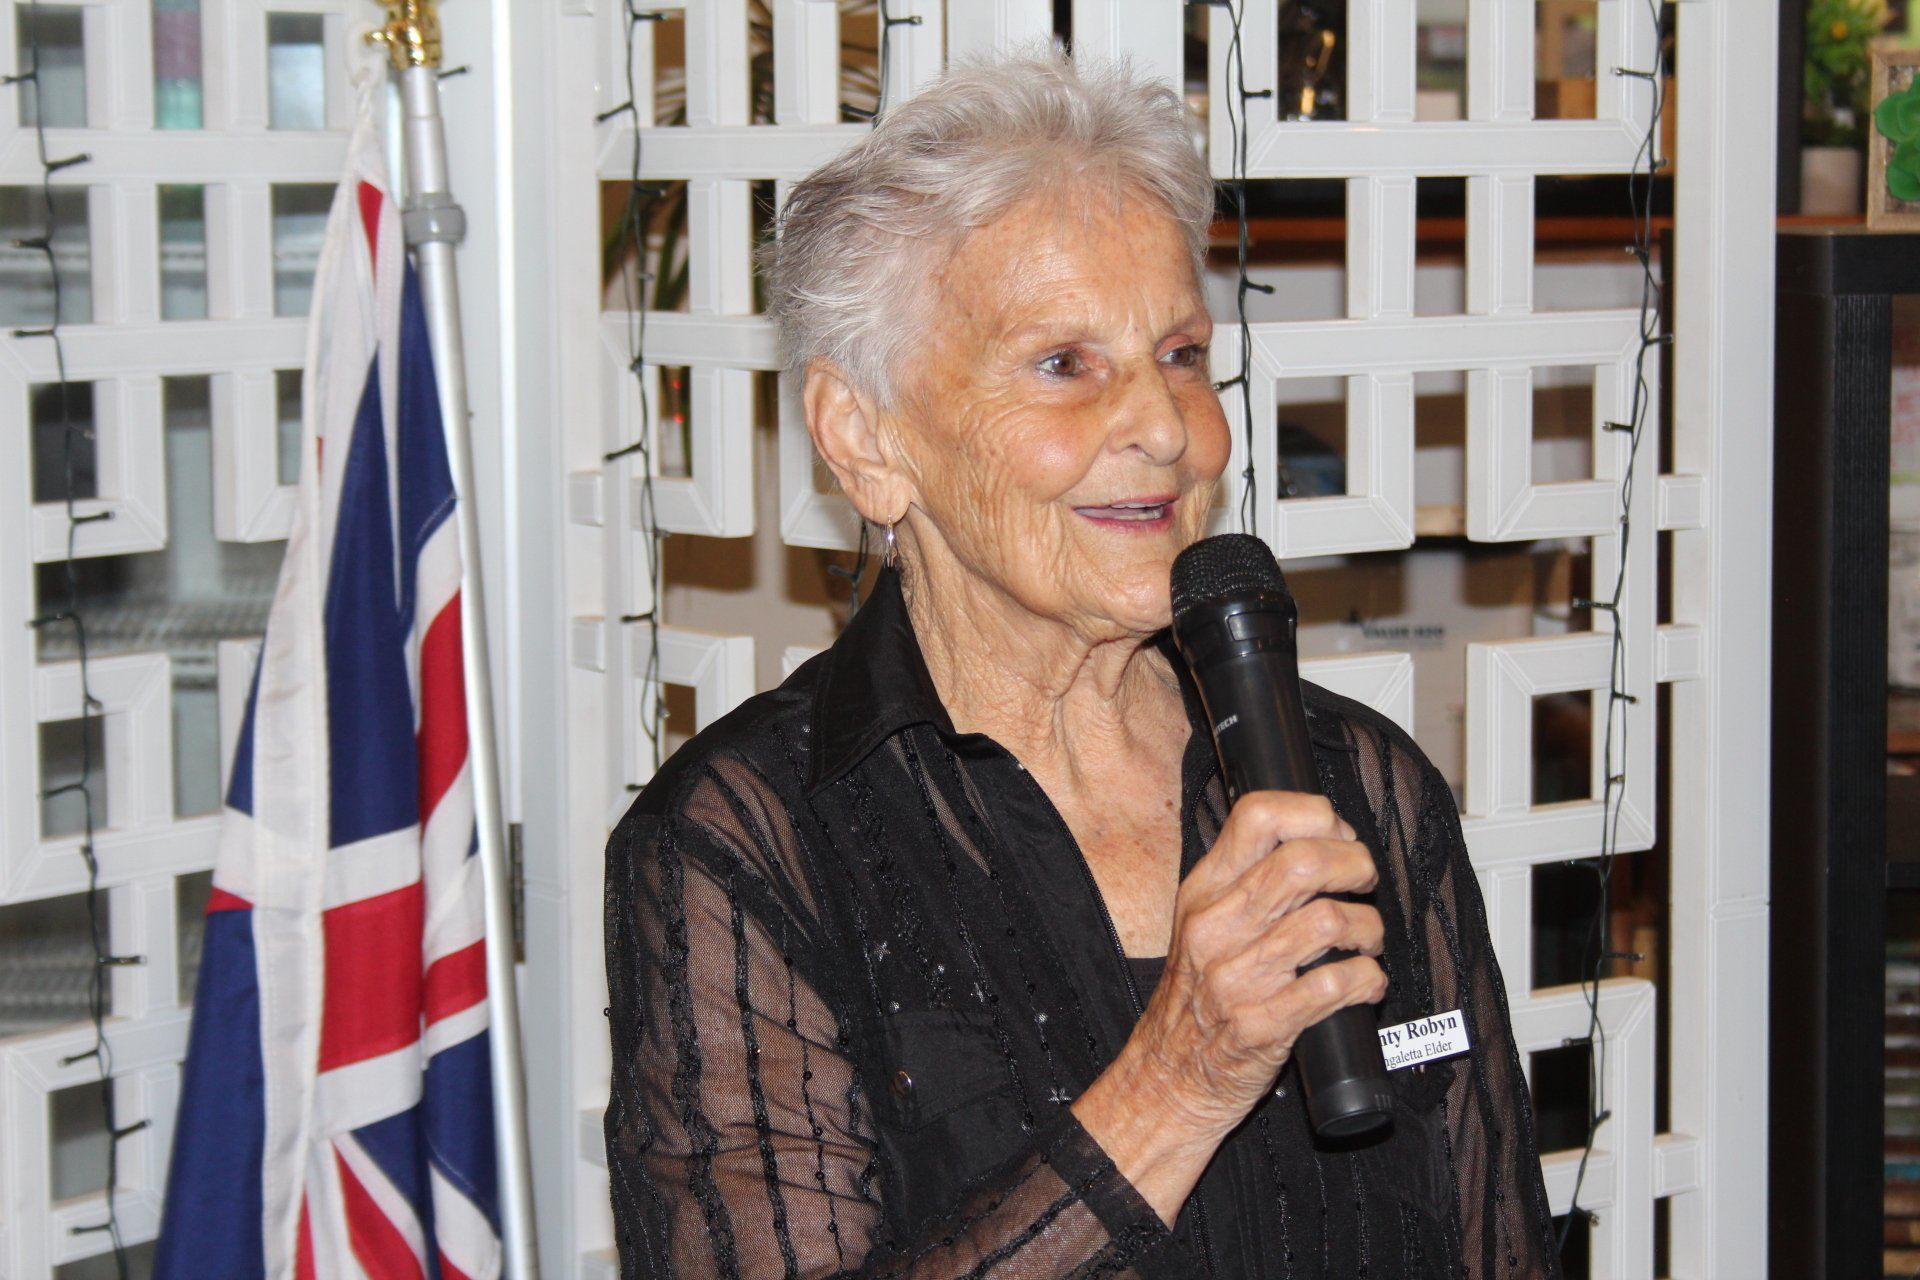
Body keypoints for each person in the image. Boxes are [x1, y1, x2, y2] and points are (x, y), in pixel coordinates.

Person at [604, 51, 1560, 1279]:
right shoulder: (744, 846)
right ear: (865, 436)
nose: (1166, 427)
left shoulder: (1357, 783)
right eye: (1065, 364)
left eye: (1178, 352)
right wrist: (1179, 1076)